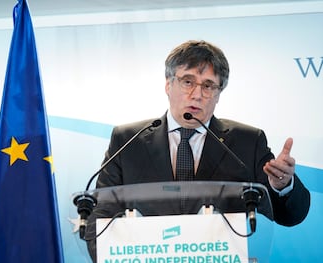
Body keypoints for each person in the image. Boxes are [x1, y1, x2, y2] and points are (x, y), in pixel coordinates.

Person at [85, 40, 310, 261]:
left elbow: (290, 216)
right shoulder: (127, 140)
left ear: (219, 93)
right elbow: (99, 219)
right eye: (187, 82)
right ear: (168, 84)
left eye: (208, 85)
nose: (197, 94)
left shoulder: (247, 142)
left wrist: (282, 186)